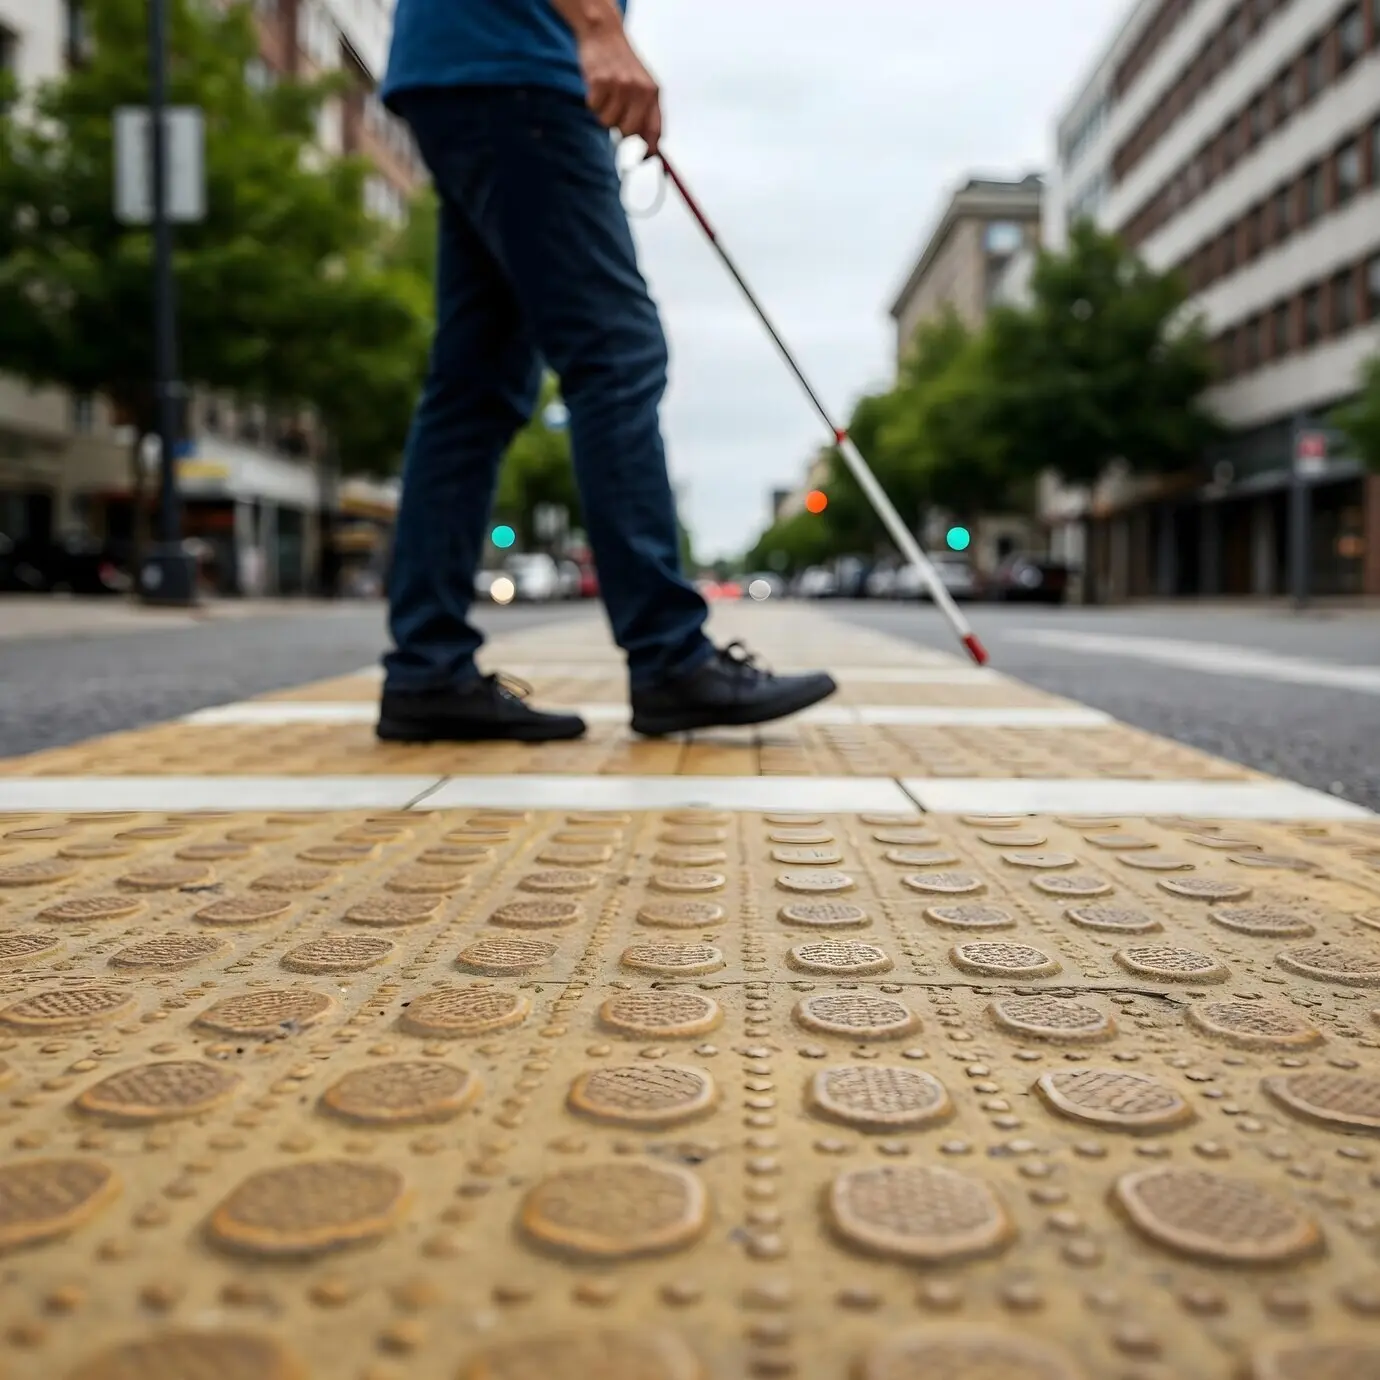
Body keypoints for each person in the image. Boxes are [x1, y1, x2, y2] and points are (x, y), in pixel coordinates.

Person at [375, 0, 836, 743]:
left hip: (456, 65)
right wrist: (596, 25)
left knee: (476, 384)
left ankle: (427, 669)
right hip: (519, 63)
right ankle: (669, 658)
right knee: (615, 353)